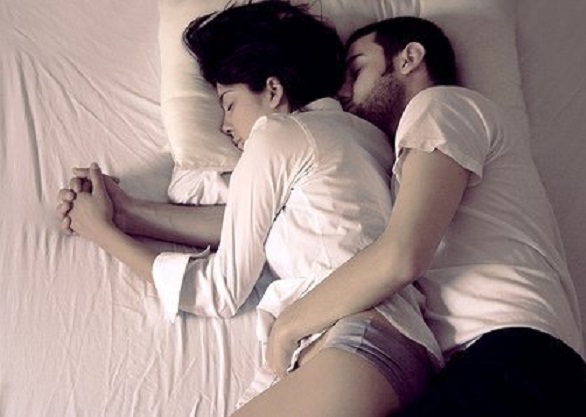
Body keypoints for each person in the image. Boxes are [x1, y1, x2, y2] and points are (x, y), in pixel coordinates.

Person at [56, 3, 442, 416]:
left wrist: (103, 234)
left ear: (273, 91)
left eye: (228, 102)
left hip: (357, 346)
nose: (224, 125)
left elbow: (220, 290)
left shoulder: (277, 135)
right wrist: (126, 212)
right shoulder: (367, 138)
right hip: (393, 347)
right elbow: (258, 222)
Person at [265, 16, 586, 416]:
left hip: (519, 362)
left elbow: (401, 255)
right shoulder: (406, 156)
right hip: (494, 369)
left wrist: (289, 325)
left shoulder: (440, 105)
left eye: (357, 69)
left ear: (409, 57)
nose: (344, 91)